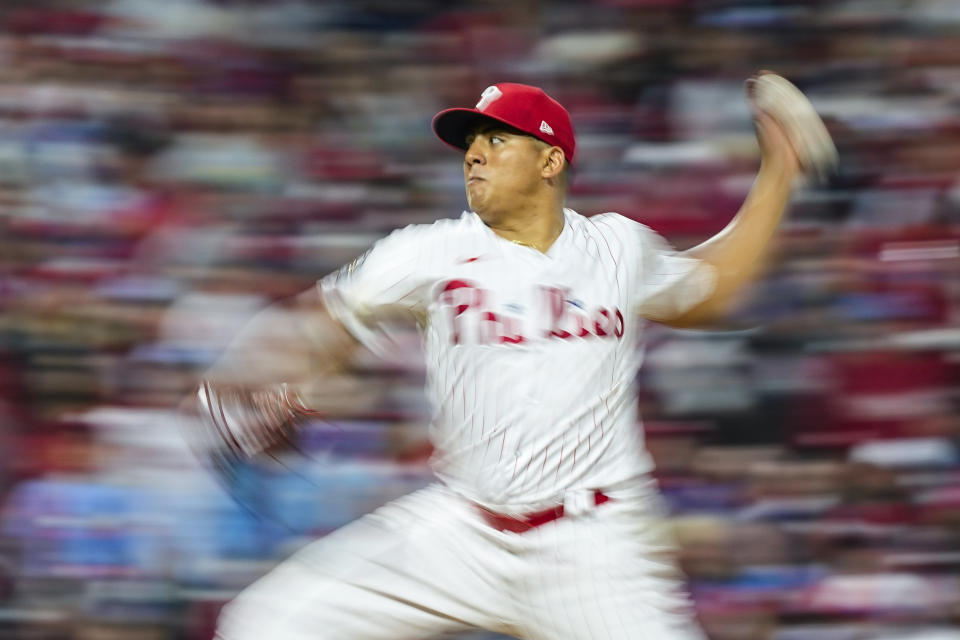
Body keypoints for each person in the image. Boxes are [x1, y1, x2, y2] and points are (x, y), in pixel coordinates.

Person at [188, 74, 835, 639]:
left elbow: (708, 291)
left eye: (496, 140)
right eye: (470, 144)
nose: (474, 156)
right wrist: (282, 386)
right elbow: (329, 318)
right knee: (267, 624)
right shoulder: (428, 252)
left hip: (592, 545)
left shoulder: (616, 249)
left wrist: (778, 171)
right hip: (463, 528)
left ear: (550, 161)